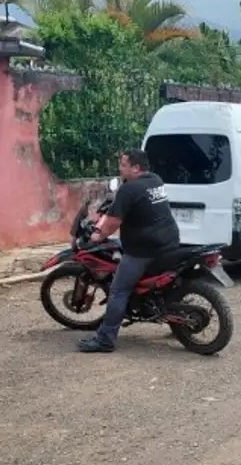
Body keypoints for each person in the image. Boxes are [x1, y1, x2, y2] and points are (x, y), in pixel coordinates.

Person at [77, 149, 181, 353]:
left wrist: (98, 236)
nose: (119, 168)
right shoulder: (155, 180)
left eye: (123, 165)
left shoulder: (130, 189)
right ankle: (174, 322)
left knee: (118, 290)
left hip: (144, 250)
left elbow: (112, 223)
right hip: (170, 242)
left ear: (136, 168)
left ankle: (105, 339)